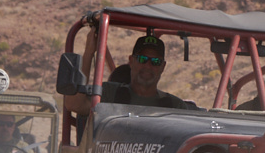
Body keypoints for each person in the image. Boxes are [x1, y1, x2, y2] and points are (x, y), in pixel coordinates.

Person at [65, 33, 195, 114]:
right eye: (142, 59)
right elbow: (73, 104)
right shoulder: (109, 94)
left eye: (155, 61)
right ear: (131, 61)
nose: (148, 66)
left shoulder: (174, 106)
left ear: (163, 67)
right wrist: (89, 53)